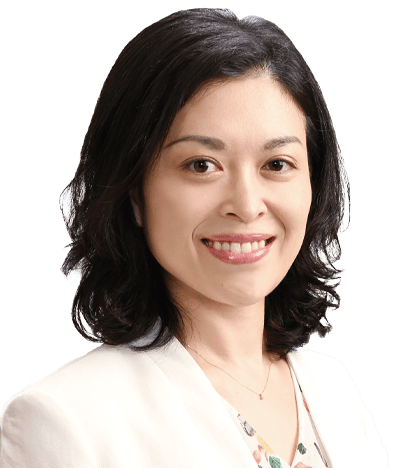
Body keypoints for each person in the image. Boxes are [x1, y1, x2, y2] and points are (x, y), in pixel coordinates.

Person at [0, 8, 388, 468]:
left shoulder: (335, 389)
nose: (246, 205)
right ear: (133, 193)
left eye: (276, 164)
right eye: (202, 165)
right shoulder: (64, 421)